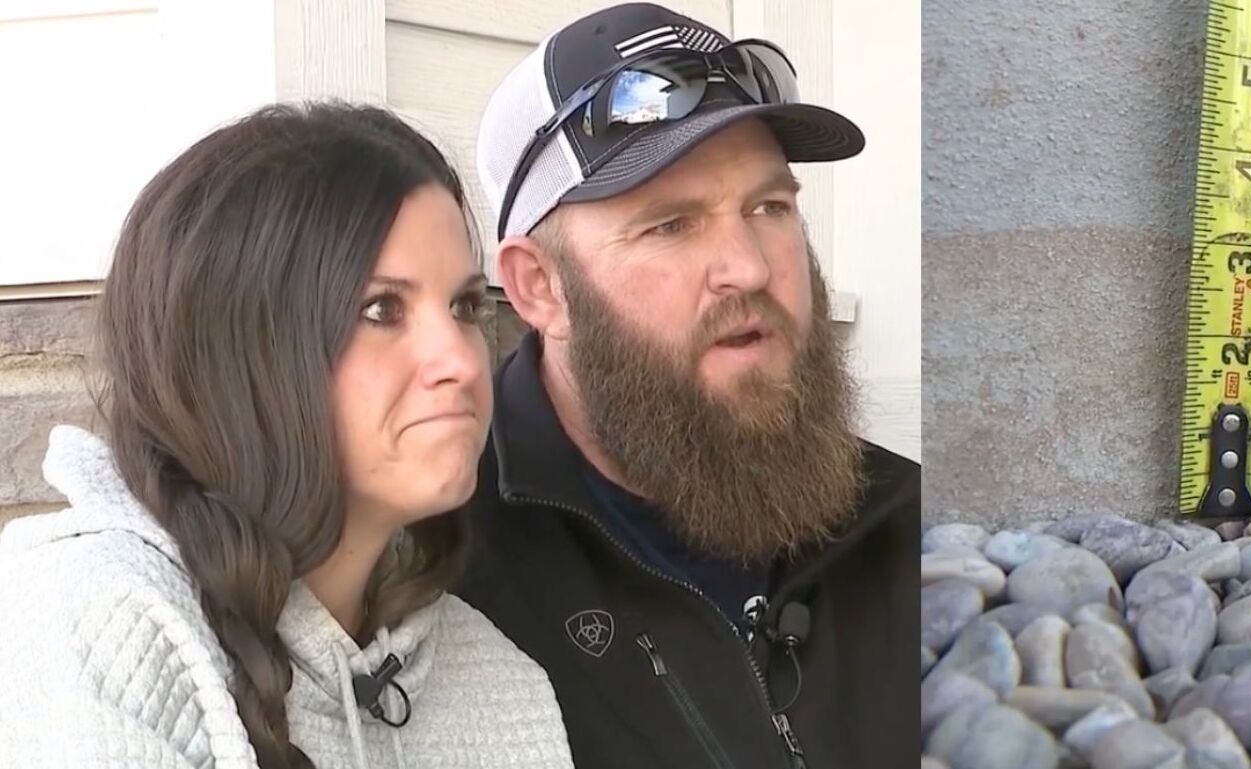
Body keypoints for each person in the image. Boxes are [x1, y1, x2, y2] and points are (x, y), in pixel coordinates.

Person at [0, 102, 573, 769]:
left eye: (465, 306)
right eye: (382, 309)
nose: (461, 359)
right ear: (241, 352)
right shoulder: (94, 618)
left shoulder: (498, 684)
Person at [455, 3, 920, 767]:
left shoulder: (907, 524)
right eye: (671, 224)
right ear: (540, 288)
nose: (749, 266)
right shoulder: (443, 575)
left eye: (769, 207)